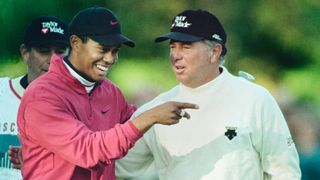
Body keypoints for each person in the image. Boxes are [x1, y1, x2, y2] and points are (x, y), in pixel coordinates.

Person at [116, 9, 301, 180]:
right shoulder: (154, 112)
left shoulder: (256, 99)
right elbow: (112, 166)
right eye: (173, 47)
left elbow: (284, 172)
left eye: (186, 47)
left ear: (214, 52)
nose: (175, 55)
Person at [16, 7, 198, 180]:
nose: (111, 59)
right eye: (103, 49)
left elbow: (136, 128)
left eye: (115, 51)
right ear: (75, 43)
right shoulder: (41, 95)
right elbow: (88, 151)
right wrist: (150, 117)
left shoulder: (110, 91)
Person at [0, 15, 70, 179]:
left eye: (60, 52)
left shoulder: (81, 104)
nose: (53, 60)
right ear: (25, 53)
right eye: (44, 51)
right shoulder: (2, 92)